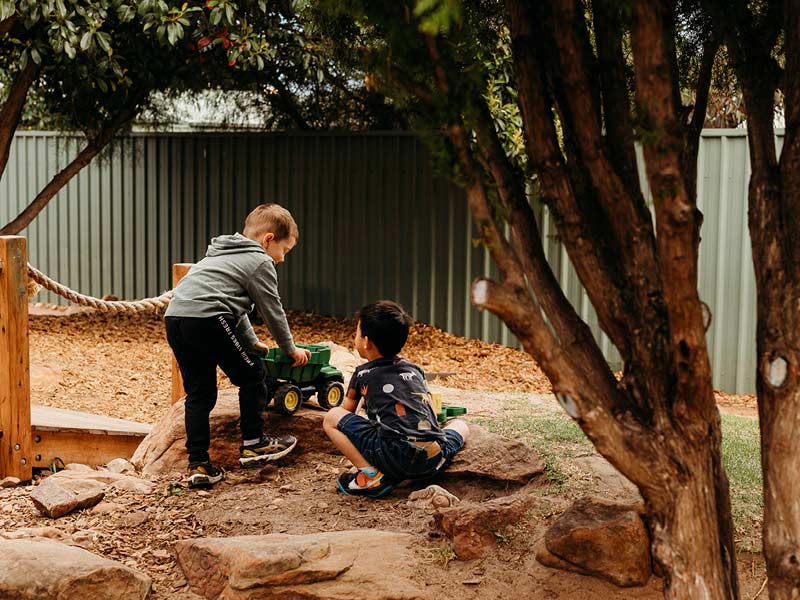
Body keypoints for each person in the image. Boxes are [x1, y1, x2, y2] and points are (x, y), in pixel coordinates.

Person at [165, 203, 311, 487]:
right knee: (254, 376)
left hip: (176, 318)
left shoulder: (220, 256)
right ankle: (254, 443)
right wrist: (290, 348)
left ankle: (198, 465)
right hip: (208, 318)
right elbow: (272, 309)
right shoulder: (260, 261)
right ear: (268, 239)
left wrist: (252, 341)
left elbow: (237, 307)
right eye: (285, 250)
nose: (281, 259)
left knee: (200, 394)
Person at [323, 300, 469, 498]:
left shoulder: (362, 374)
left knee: (332, 417)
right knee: (461, 425)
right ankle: (407, 470)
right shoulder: (415, 370)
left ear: (366, 342)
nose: (354, 337)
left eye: (357, 332)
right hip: (432, 459)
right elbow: (428, 412)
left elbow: (345, 413)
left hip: (391, 455)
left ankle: (370, 475)